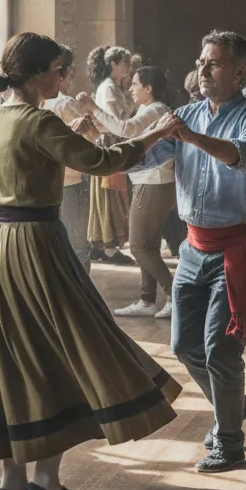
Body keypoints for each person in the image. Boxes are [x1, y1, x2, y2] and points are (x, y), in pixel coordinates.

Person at [0, 32, 181, 490]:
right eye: (61, 71)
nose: (64, 79)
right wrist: (157, 134)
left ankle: (13, 481)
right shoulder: (37, 120)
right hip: (34, 244)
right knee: (59, 353)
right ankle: (45, 482)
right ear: (41, 74)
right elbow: (106, 161)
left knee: (9, 357)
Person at [138, 30, 246, 474]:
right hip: (194, 247)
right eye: (200, 62)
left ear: (237, 73)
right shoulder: (186, 114)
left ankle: (229, 441)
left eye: (212, 63)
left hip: (240, 247)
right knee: (183, 344)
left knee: (221, 350)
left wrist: (192, 138)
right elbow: (142, 156)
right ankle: (234, 404)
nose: (202, 69)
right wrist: (94, 142)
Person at [88, 66, 176, 319]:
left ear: (149, 88)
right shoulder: (148, 110)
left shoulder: (155, 109)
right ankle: (147, 300)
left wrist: (93, 108)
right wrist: (97, 127)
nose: (131, 88)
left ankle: (175, 296)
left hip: (154, 182)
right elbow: (125, 135)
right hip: (150, 181)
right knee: (148, 245)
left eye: (136, 84)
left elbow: (126, 130)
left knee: (138, 246)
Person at [83, 45, 134, 265]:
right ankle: (107, 248)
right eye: (124, 64)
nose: (128, 69)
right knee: (108, 195)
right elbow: (113, 120)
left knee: (114, 194)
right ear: (113, 64)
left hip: (115, 142)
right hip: (109, 144)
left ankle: (108, 247)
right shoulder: (108, 88)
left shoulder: (115, 87)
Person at [41, 45, 90, 265]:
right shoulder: (64, 104)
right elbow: (88, 143)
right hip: (68, 182)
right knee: (77, 244)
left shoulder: (36, 101)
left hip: (44, 183)